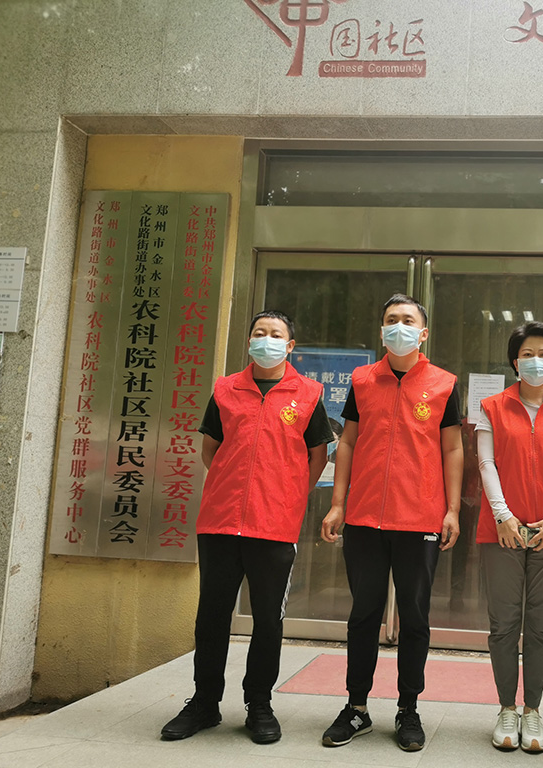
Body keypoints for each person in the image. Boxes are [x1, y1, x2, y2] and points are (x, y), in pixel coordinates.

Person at [161, 310, 333, 744]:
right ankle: (205, 703)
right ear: (250, 340)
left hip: (274, 526)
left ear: (289, 346)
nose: (266, 339)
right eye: (259, 332)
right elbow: (210, 449)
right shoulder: (225, 389)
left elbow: (317, 456)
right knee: (211, 616)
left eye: (276, 334)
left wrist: (287, 495)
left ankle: (259, 704)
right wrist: (232, 487)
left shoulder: (308, 393)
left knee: (268, 620)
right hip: (219, 522)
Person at [320, 294, 463, 752]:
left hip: (420, 517)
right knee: (363, 614)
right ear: (381, 330)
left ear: (423, 333)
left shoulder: (444, 384)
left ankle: (408, 708)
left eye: (407, 320)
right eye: (390, 320)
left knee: (415, 617)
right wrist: (338, 503)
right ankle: (356, 707)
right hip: (364, 516)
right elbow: (347, 442)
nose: (398, 326)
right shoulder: (363, 380)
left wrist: (452, 509)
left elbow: (452, 448)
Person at [475, 322, 543, 753]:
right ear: (514, 361)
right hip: (501, 531)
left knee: (542, 626)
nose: (536, 361)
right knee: (503, 624)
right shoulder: (491, 407)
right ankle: (506, 707)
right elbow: (486, 464)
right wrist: (503, 516)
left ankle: (533, 710)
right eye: (527, 354)